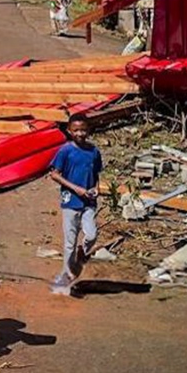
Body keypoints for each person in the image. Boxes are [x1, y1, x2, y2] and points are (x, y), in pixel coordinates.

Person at [48, 113, 103, 296]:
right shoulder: (65, 151)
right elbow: (55, 174)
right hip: (70, 201)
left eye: (83, 130)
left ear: (89, 130)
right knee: (69, 244)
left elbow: (95, 174)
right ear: (69, 131)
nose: (80, 133)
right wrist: (76, 188)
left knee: (92, 234)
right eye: (76, 130)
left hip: (89, 201)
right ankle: (65, 279)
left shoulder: (94, 152)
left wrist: (96, 188)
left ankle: (83, 253)